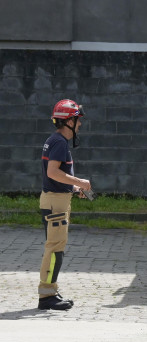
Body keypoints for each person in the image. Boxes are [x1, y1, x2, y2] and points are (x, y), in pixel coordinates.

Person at [38, 99, 92, 310]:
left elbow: (54, 176)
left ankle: (49, 291)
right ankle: (46, 296)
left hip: (55, 199)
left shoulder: (54, 140)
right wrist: (80, 182)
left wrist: (74, 189)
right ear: (69, 121)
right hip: (56, 204)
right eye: (78, 120)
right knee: (54, 250)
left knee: (55, 248)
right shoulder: (59, 142)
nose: (80, 124)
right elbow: (52, 172)